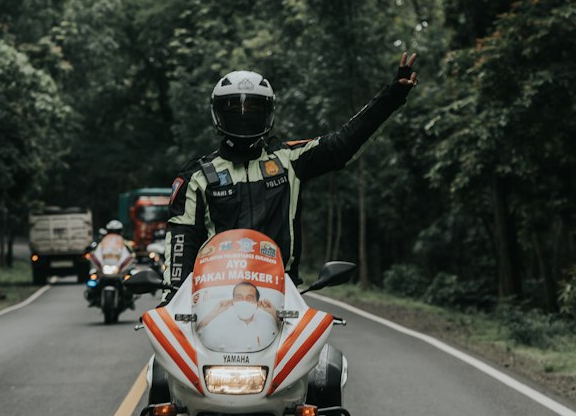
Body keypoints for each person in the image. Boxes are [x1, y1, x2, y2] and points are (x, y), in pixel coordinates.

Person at [162, 53, 418, 297]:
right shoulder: (196, 177)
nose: (244, 116)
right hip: (213, 294)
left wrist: (391, 96)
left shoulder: (289, 159)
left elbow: (344, 143)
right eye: (234, 110)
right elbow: (181, 243)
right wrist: (172, 299)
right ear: (217, 113)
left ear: (269, 113)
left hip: (283, 293)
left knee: (325, 345)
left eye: (254, 110)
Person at [196, 279, 281, 351]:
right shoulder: (222, 323)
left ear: (257, 303)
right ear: (233, 301)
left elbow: (283, 338)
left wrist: (274, 313)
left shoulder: (267, 323)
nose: (244, 302)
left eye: (249, 298)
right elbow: (197, 334)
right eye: (239, 298)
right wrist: (214, 313)